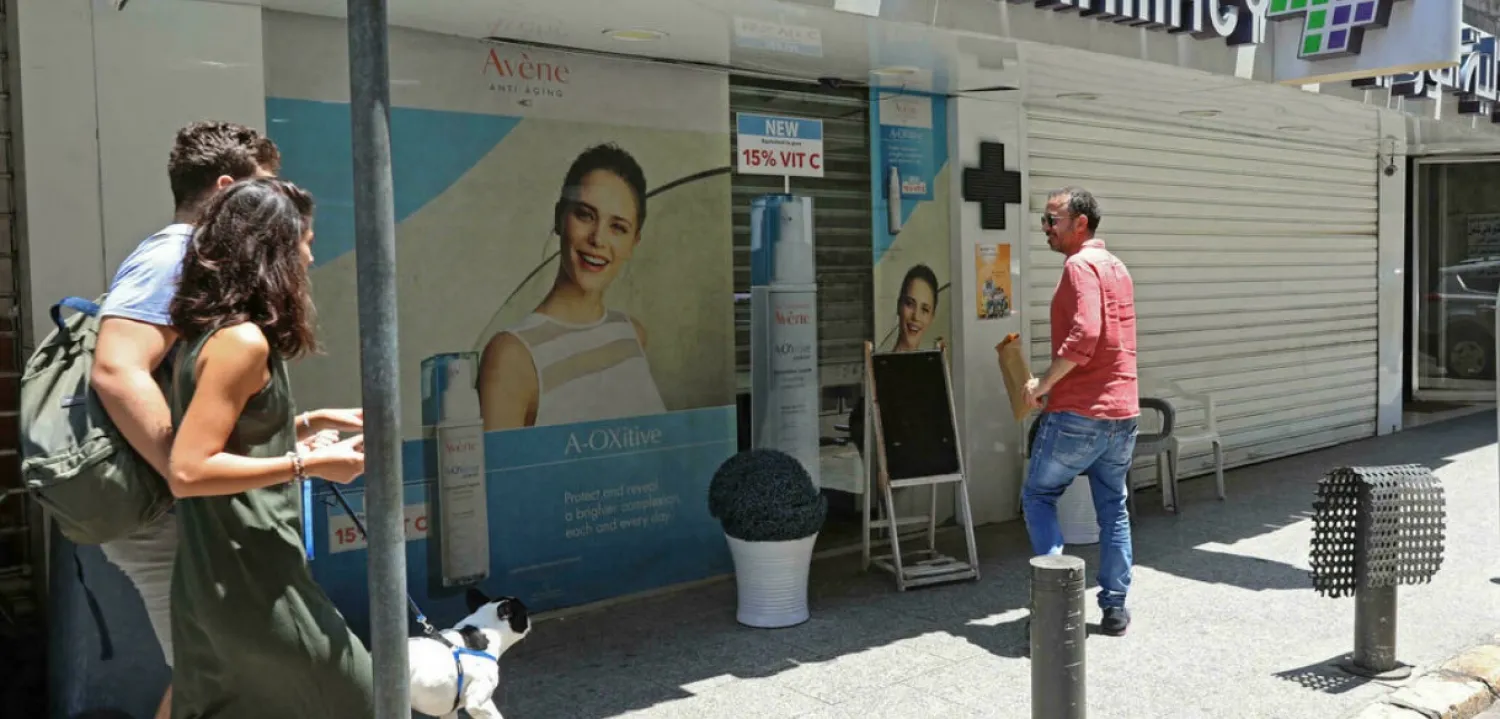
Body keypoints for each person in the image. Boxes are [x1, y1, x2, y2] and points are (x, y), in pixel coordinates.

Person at [90, 121, 280, 719]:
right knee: (220, 679)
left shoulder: (193, 259)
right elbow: (117, 371)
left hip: (171, 504)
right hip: (163, 511)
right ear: (225, 190)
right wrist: (186, 475)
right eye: (262, 192)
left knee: (214, 673)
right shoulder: (176, 254)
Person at [166, 177, 373, 718]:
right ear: (272, 252)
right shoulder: (242, 342)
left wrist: (308, 422)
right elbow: (188, 469)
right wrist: (308, 464)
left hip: (220, 573)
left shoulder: (215, 333)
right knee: (362, 698)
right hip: (250, 575)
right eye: (303, 240)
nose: (309, 254)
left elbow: (233, 433)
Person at [478, 143, 664, 431]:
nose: (598, 239)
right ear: (559, 217)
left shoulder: (633, 335)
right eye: (585, 215)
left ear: (633, 243)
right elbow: (502, 476)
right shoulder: (510, 357)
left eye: (618, 227)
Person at [1022, 186, 1139, 637]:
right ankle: (1114, 608)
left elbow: (1087, 335)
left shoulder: (1079, 266)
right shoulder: (1117, 267)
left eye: (1053, 220)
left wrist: (1042, 385)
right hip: (1123, 413)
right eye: (1045, 220)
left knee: (1038, 495)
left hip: (1080, 413)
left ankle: (1058, 602)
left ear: (1080, 224)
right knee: (1113, 508)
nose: (1045, 228)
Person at [892, 264, 939, 352]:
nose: (916, 317)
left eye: (924, 309)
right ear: (899, 305)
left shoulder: (938, 364)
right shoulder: (875, 364)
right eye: (910, 304)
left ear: (932, 317)